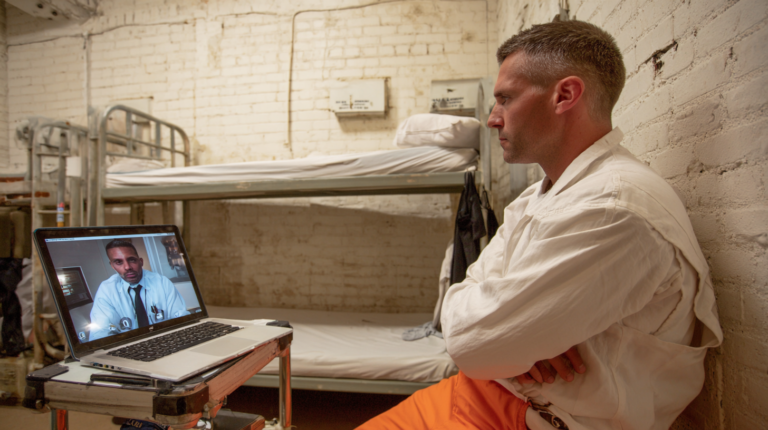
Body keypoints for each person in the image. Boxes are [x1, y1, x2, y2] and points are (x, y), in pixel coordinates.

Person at [359, 20, 722, 430]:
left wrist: (504, 337)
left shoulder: (613, 208)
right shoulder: (540, 195)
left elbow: (469, 343)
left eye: (506, 99)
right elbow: (459, 307)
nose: (493, 119)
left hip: (533, 418)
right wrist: (515, 341)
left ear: (565, 95)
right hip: (483, 390)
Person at [88, 239, 190, 341]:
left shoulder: (162, 282)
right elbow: (100, 332)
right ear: (113, 266)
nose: (127, 267)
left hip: (165, 339)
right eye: (118, 262)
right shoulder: (106, 290)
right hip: (127, 345)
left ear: (140, 262)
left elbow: (181, 317)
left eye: (132, 260)